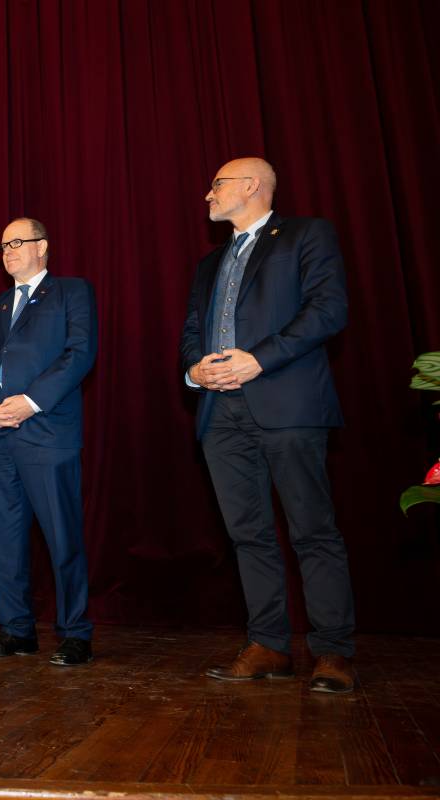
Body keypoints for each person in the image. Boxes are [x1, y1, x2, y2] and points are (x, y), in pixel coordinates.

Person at [180, 157, 356, 694]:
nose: (208, 194)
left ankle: (332, 652)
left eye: (217, 184)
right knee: (247, 535)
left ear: (252, 186)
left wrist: (260, 359)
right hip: (220, 415)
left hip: (288, 404)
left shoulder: (306, 235)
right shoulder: (209, 263)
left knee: (313, 531)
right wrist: (193, 368)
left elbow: (328, 310)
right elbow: (193, 328)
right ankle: (269, 645)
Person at [0, 218, 97, 666]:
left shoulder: (72, 292)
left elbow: (80, 353)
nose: (8, 251)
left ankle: (76, 632)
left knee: (63, 536)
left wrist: (32, 401)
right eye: (2, 245)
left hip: (48, 432)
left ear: (43, 247)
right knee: (3, 539)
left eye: (17, 242)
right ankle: (16, 630)